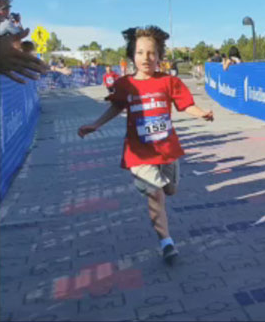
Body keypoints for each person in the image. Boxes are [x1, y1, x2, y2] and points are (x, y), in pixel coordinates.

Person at [77, 25, 214, 263]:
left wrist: (201, 112)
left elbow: (185, 105)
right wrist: (96, 125)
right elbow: (117, 106)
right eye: (140, 53)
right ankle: (166, 242)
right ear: (132, 56)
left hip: (167, 149)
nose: (146, 58)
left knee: (169, 190)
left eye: (151, 53)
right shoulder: (125, 85)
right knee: (155, 194)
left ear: (160, 56)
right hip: (138, 153)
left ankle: (163, 191)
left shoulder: (169, 82)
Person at [0, 0, 49, 84]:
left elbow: (20, 34)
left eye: (8, 8)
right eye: (4, 8)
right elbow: (19, 33)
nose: (7, 12)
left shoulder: (6, 23)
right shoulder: (7, 24)